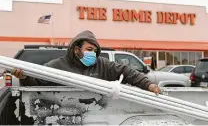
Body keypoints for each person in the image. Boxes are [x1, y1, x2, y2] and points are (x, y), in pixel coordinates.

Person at [12, 30, 161, 94]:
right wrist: (24, 78)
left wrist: (148, 84)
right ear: (77, 50)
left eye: (95, 50)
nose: (93, 53)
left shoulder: (102, 65)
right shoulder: (58, 65)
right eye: (89, 49)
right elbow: (38, 80)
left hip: (96, 113)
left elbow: (127, 72)